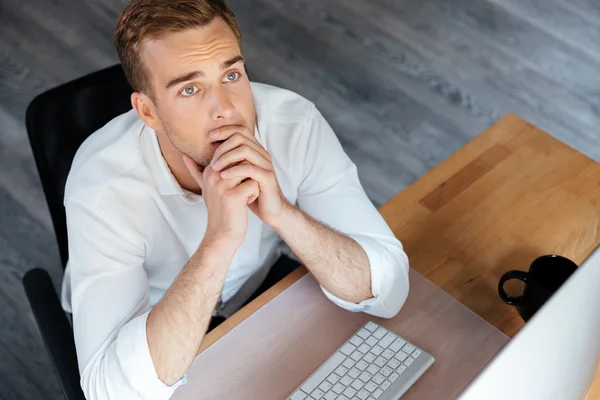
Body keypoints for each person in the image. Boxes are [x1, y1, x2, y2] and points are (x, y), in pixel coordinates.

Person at [60, 0, 410, 398]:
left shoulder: (294, 125)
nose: (225, 110)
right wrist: (219, 241)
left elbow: (390, 290)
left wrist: (283, 214)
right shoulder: (102, 186)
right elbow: (111, 392)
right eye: (190, 89)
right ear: (148, 111)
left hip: (258, 298)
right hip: (155, 328)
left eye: (231, 74)